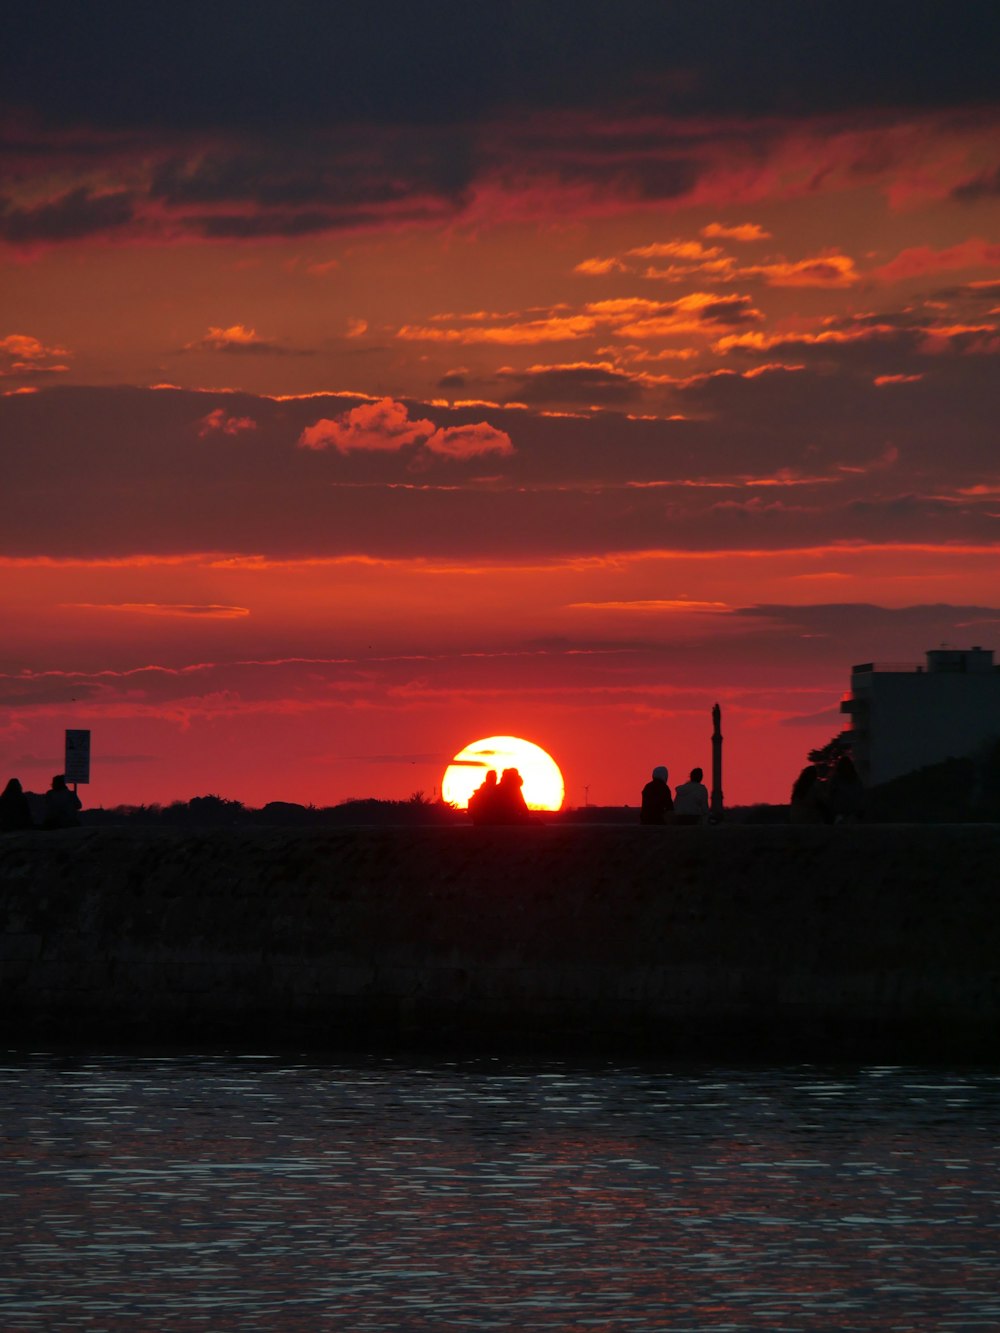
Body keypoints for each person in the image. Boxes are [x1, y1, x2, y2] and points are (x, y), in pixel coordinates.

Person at [827, 754, 865, 823]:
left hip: (842, 811)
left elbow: (830, 795)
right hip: (852, 811)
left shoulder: (836, 779)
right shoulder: (856, 779)